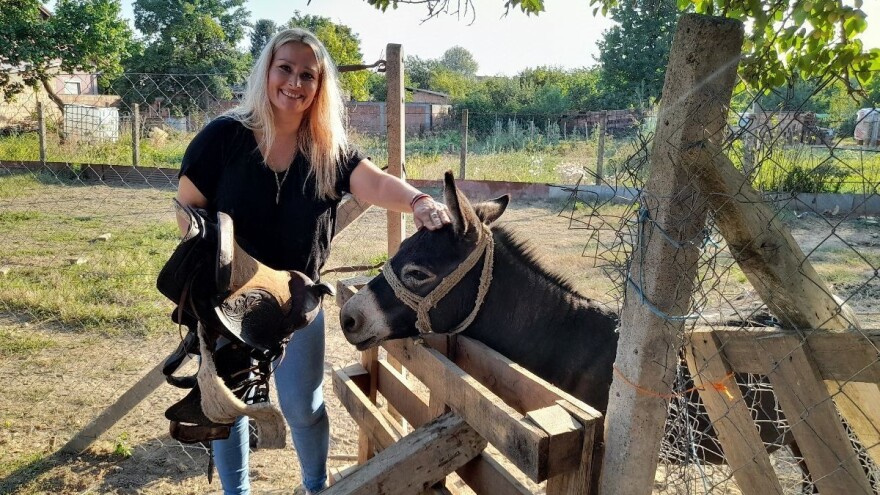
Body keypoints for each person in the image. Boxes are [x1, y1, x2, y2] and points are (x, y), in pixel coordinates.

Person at [175, 28, 451, 495]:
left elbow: (378, 185)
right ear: (267, 70)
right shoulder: (224, 136)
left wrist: (421, 201)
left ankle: (316, 487)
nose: (295, 82)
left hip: (297, 301)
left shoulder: (327, 149)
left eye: (309, 74)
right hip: (229, 301)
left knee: (303, 406)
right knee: (228, 403)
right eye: (285, 68)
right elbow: (188, 211)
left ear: (320, 86)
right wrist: (222, 265)